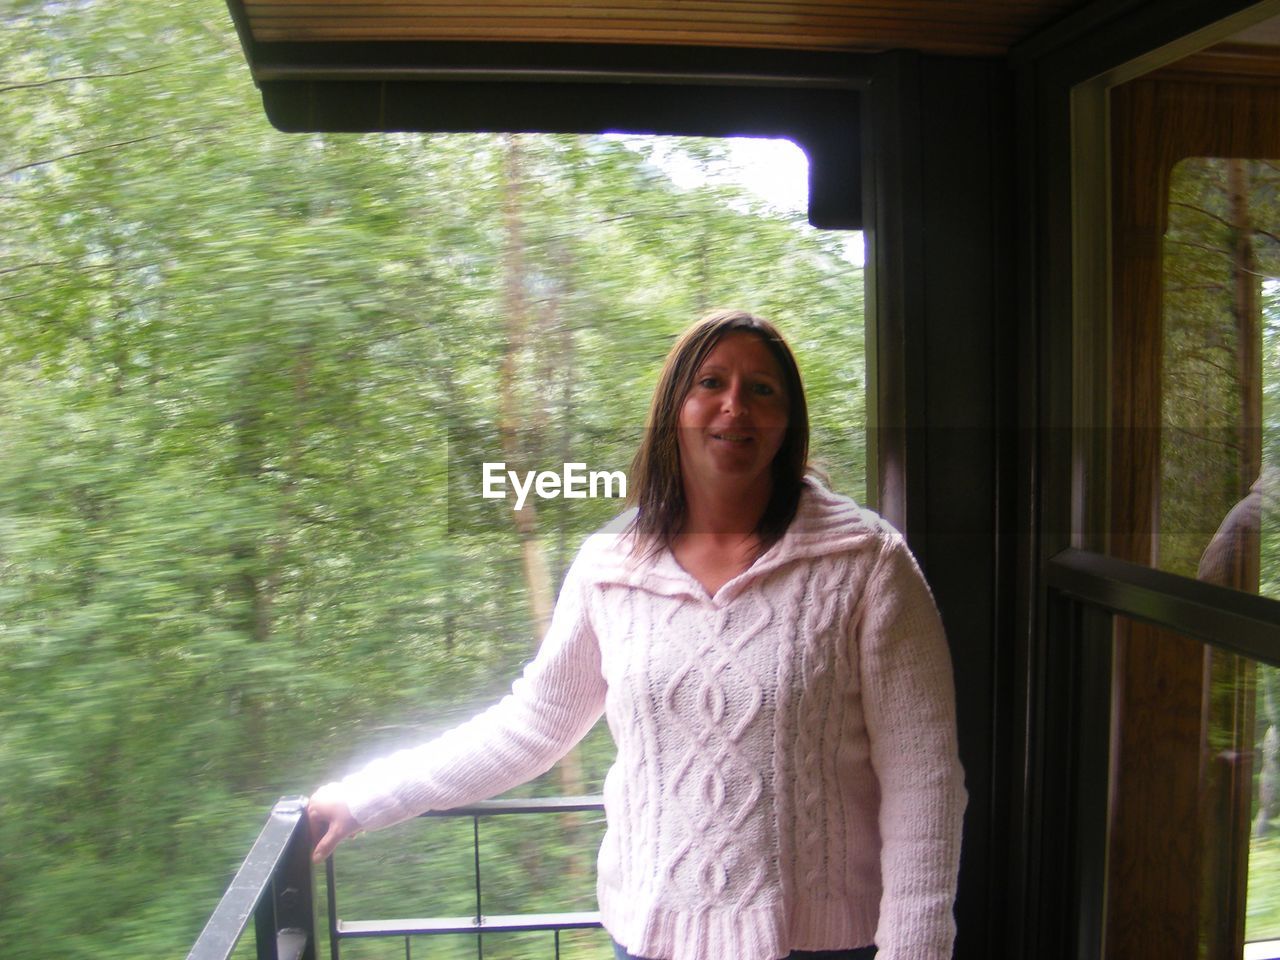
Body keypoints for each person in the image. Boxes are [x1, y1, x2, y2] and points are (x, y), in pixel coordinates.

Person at [308, 309, 966, 960]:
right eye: (711, 383)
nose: (735, 405)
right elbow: (532, 724)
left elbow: (924, 778)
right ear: (674, 408)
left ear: (786, 421)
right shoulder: (610, 565)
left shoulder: (866, 563)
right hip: (652, 937)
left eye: (762, 389)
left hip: (820, 943)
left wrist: (917, 946)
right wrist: (369, 797)